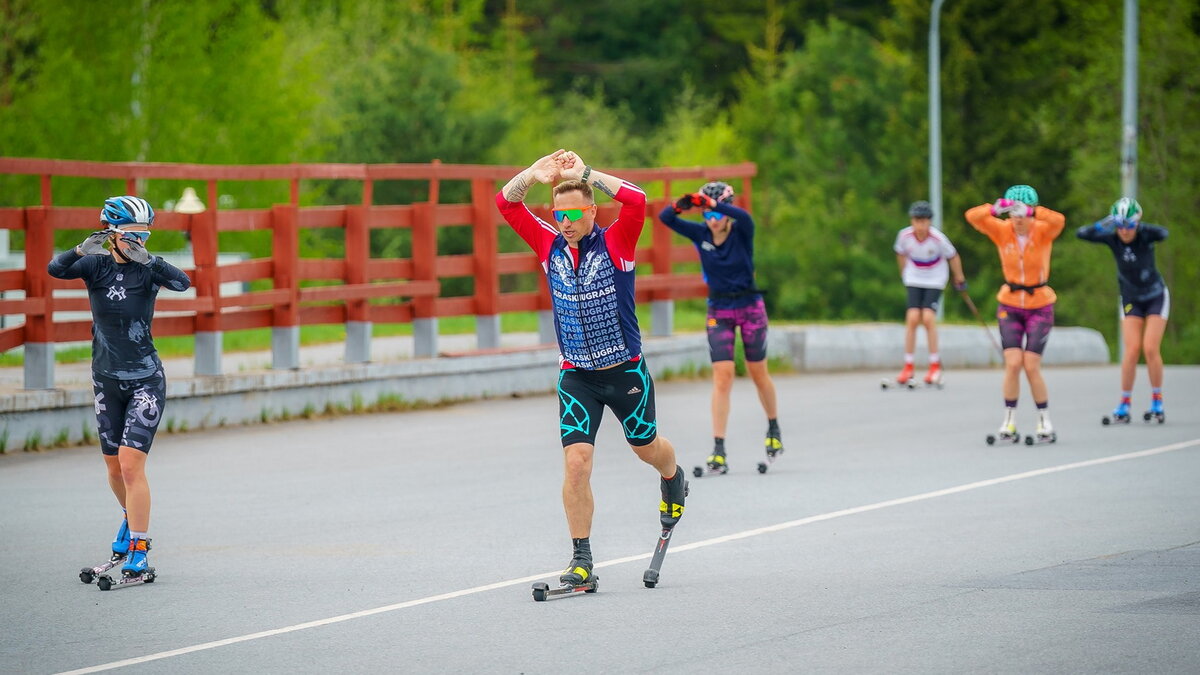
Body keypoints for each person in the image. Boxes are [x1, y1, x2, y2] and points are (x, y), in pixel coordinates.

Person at [495, 150, 687, 587]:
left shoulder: (617, 242)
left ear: (592, 212)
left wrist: (585, 174)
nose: (565, 221)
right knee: (577, 463)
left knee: (647, 447)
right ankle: (581, 558)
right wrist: (531, 173)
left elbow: (638, 200)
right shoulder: (549, 245)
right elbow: (505, 204)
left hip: (624, 372)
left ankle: (673, 478)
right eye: (559, 214)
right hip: (577, 375)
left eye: (574, 213)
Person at [47, 196, 191, 579]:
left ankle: (140, 548)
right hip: (106, 379)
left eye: (144, 235)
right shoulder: (95, 266)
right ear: (111, 233)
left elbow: (183, 282)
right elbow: (55, 269)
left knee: (130, 466)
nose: (138, 241)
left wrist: (151, 261)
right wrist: (79, 248)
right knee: (112, 468)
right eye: (130, 234)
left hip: (145, 378)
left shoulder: (148, 269)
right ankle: (131, 519)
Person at [657, 181, 780, 474]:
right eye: (706, 217)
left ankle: (773, 426)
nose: (711, 222)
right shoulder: (700, 234)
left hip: (750, 306)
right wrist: (682, 204)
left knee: (757, 371)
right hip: (719, 309)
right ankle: (719, 448)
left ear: (726, 212)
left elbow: (746, 217)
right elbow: (665, 218)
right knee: (722, 376)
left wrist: (713, 204)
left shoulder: (742, 231)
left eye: (716, 215)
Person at [965, 185, 1065, 442]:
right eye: (1014, 214)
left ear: (1030, 214)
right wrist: (995, 208)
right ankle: (1009, 421)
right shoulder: (1002, 231)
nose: (1018, 220)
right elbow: (972, 217)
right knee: (1012, 363)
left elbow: (1059, 220)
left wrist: (1035, 210)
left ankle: (1044, 420)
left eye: (1023, 214)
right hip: (1010, 304)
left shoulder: (1042, 231)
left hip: (1039, 304)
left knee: (1031, 365)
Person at [1076, 197, 1170, 422]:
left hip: (1155, 295)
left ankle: (1157, 399)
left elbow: (1164, 233)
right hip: (1130, 298)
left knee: (1149, 348)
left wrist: (1138, 223)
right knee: (1131, 350)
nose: (1124, 231)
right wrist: (1105, 223)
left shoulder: (1145, 235)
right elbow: (1082, 234)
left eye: (1128, 226)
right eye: (1120, 226)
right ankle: (1124, 403)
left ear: (1136, 224)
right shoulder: (1112, 237)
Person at [891, 200, 967, 386]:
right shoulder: (904, 236)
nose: (920, 226)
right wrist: (904, 274)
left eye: (924, 221)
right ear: (912, 221)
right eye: (917, 221)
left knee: (927, 318)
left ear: (929, 222)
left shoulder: (938, 239)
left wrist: (960, 278)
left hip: (935, 278)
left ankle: (935, 364)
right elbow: (900, 253)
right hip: (914, 277)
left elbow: (953, 256)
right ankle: (908, 365)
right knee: (912, 317)